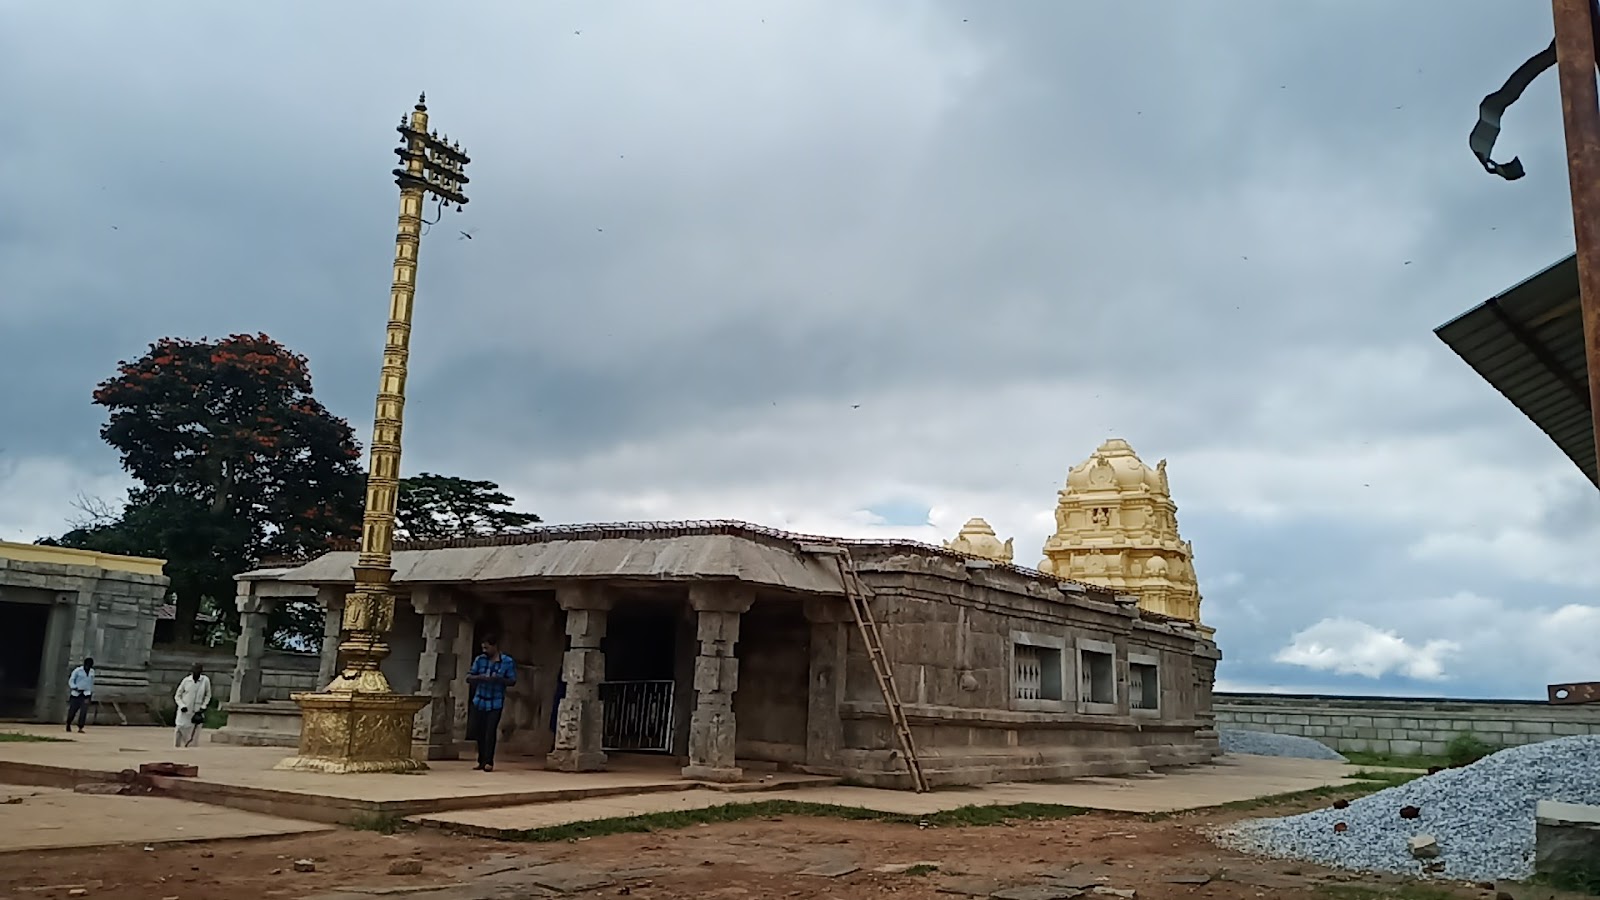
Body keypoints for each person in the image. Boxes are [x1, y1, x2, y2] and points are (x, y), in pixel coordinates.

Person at [465, 635, 517, 772]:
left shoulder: (507, 661)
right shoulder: (480, 660)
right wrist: (480, 678)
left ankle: (489, 761)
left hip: (496, 701)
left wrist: (498, 679)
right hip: (479, 700)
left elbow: (512, 680)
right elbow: (469, 677)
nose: (485, 650)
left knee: (490, 731)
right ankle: (481, 760)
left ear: (495, 646)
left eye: (487, 647)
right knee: (479, 731)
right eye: (483, 647)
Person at [173, 662, 213, 748]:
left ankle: (190, 748)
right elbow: (177, 696)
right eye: (195, 669)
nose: (196, 671)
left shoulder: (205, 680)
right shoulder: (186, 681)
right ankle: (177, 747)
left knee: (194, 732)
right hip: (185, 710)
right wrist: (182, 705)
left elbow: (208, 695)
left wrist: (203, 706)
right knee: (180, 727)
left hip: (197, 711)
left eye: (199, 669)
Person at [66, 657, 94, 733]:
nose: (88, 667)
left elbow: (91, 683)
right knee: (73, 711)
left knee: (84, 711)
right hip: (76, 694)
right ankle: (68, 723)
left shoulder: (92, 672)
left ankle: (80, 727)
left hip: (86, 694)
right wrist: (74, 687)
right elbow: (71, 680)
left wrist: (90, 692)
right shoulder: (78, 671)